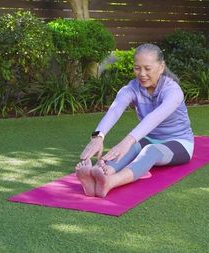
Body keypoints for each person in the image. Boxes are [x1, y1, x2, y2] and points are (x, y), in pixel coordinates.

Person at [75, 43, 194, 198]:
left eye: (147, 68)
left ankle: (110, 182)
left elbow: (153, 119)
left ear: (161, 66)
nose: (142, 74)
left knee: (149, 150)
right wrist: (98, 136)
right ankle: (98, 175)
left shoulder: (173, 91)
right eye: (137, 68)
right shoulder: (131, 88)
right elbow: (115, 110)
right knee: (130, 149)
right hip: (150, 138)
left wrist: (127, 141)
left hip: (179, 142)